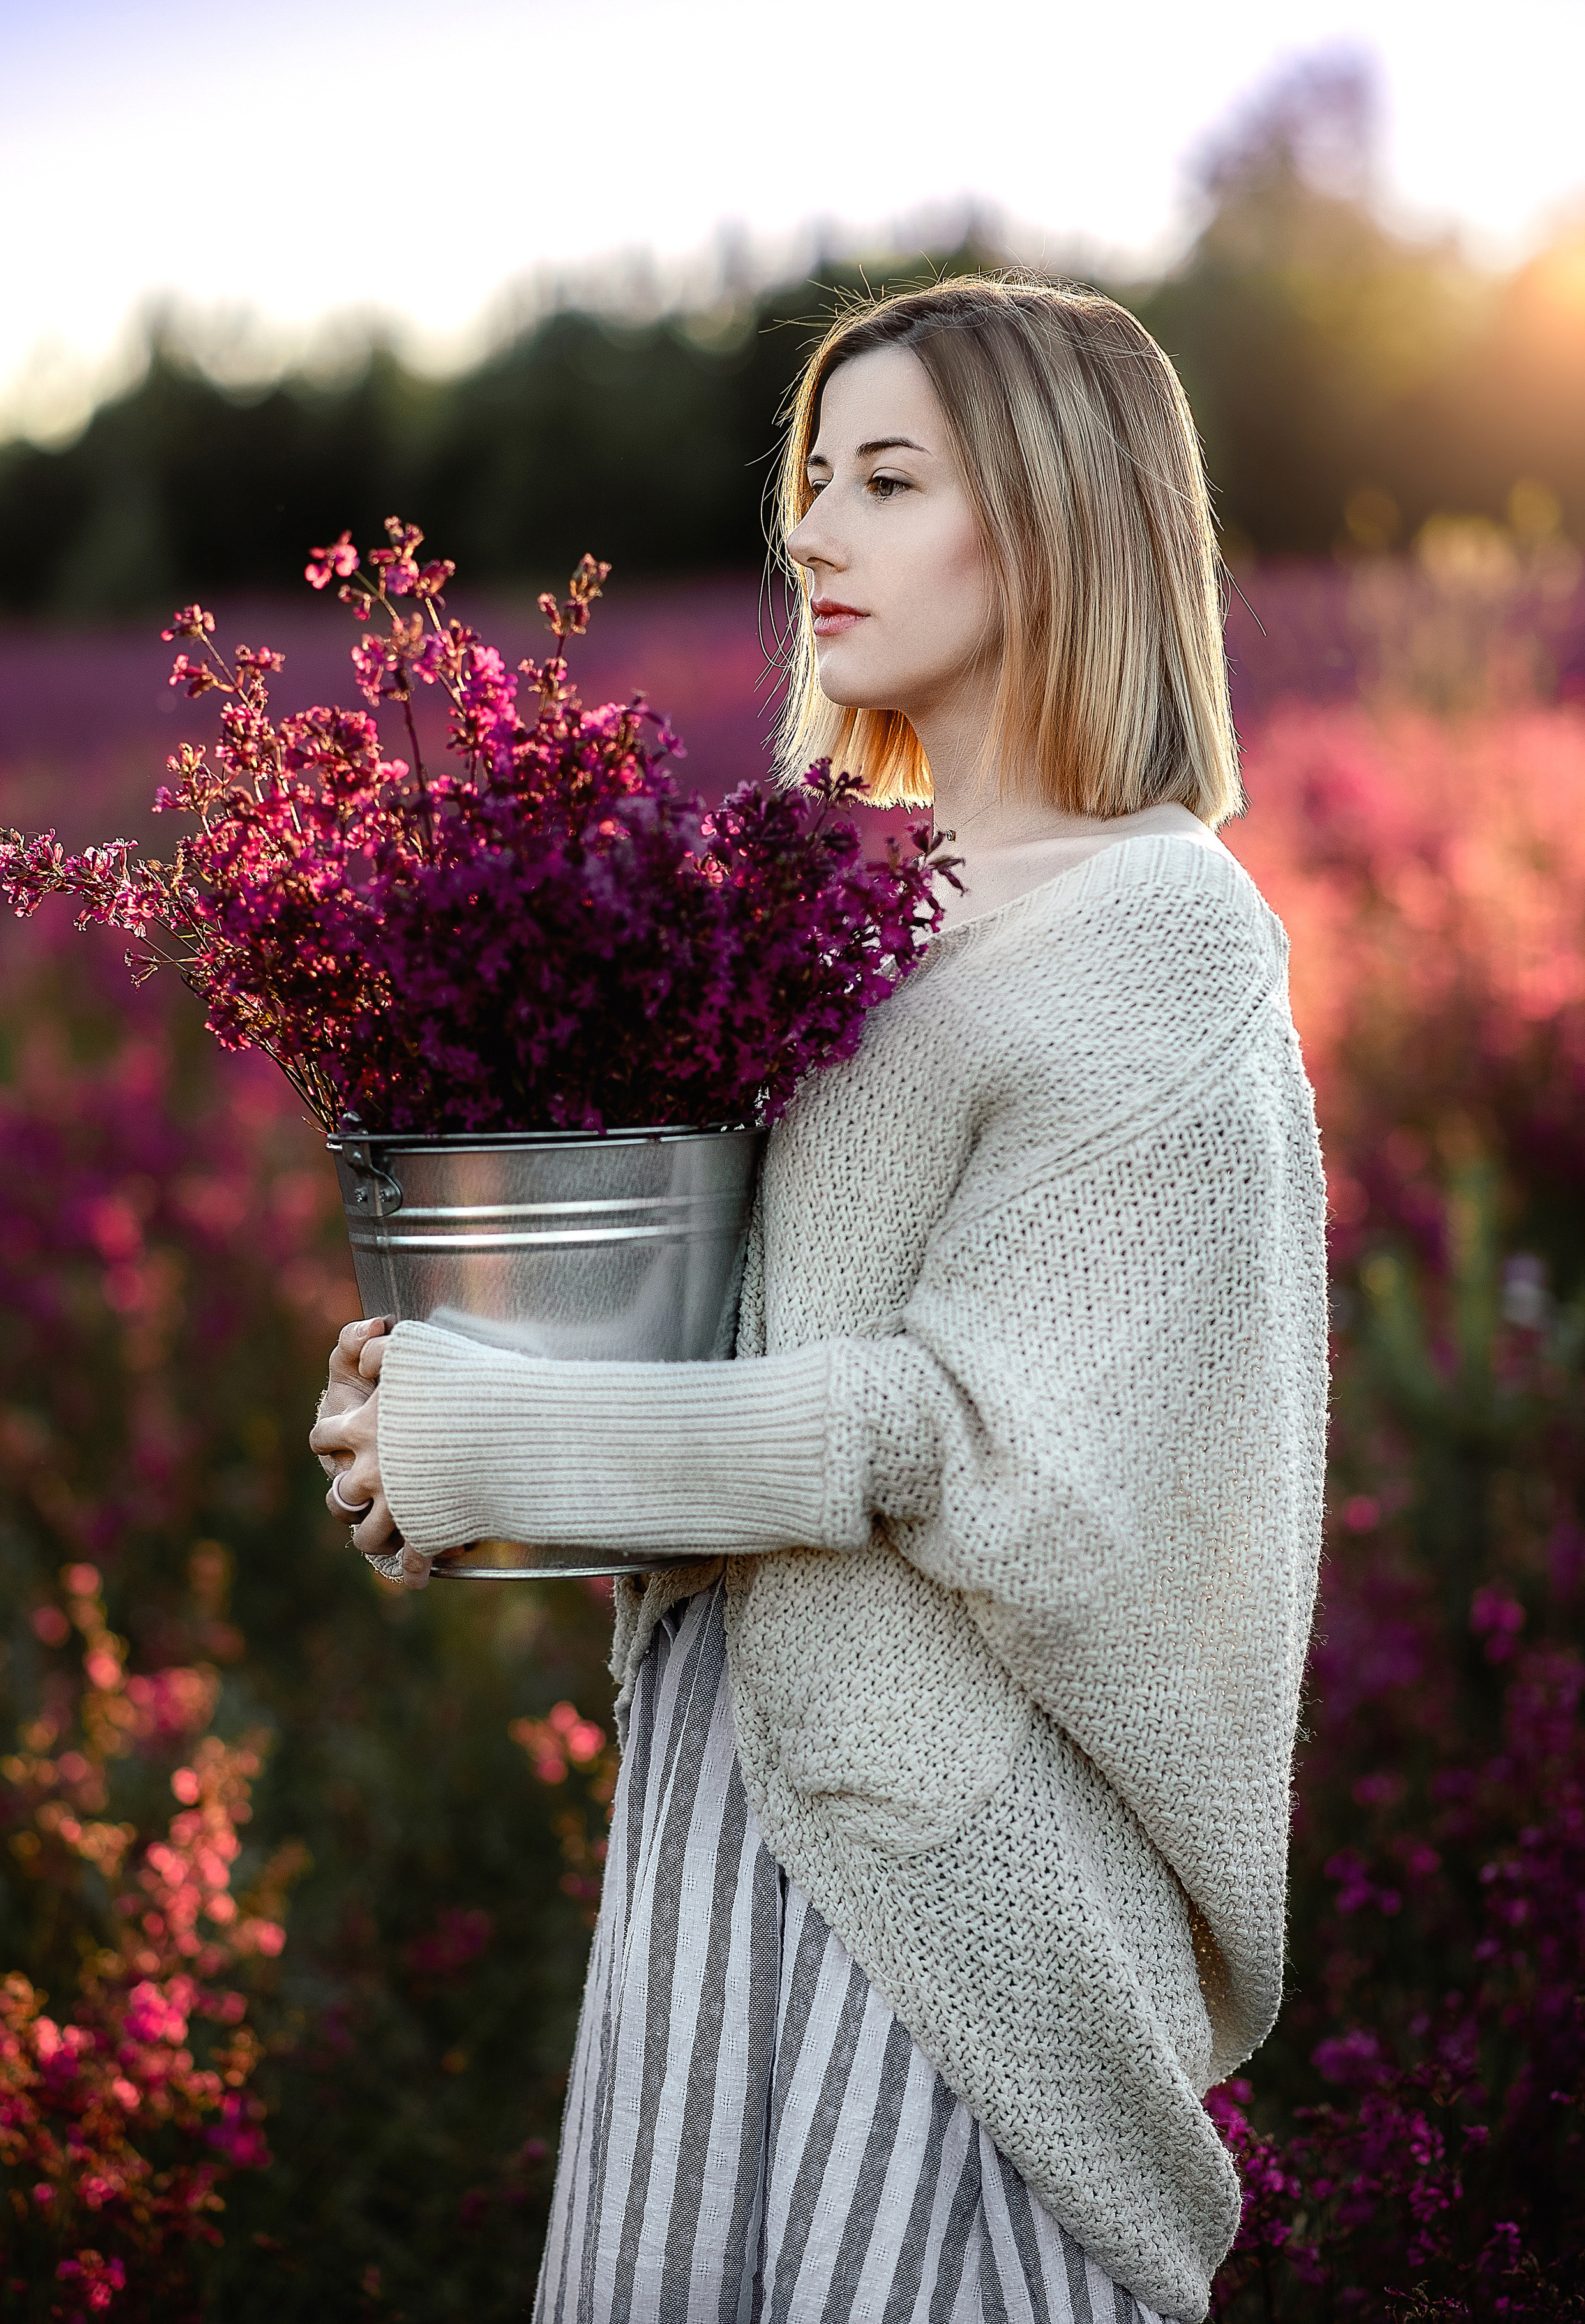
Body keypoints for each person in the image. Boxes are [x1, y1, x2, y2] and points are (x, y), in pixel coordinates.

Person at [310, 276, 1328, 2324]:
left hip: (950, 1883)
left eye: (884, 480)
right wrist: (470, 1393)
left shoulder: (1162, 932)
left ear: (1048, 516)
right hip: (744, 1812)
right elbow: (763, 1332)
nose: (814, 534)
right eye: (810, 482)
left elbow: (954, 1435)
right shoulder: (864, 897)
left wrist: (502, 1435)